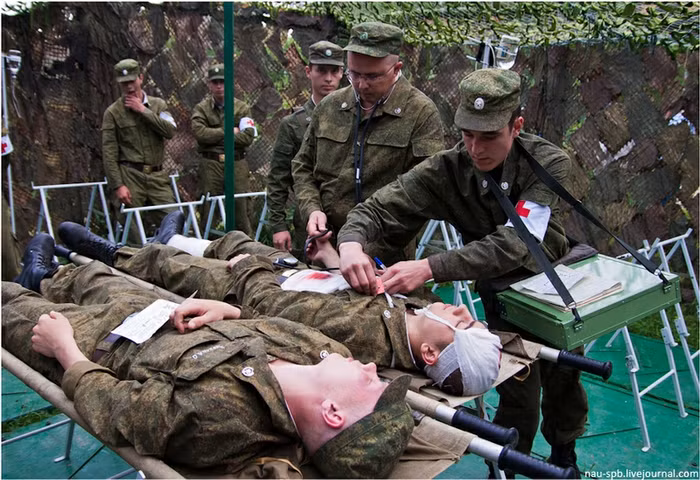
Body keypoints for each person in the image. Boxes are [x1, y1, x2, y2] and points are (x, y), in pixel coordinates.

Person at [335, 68, 588, 474]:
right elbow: (379, 209)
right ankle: (508, 467)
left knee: (566, 376)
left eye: (488, 136)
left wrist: (429, 267)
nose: (475, 148)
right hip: (502, 294)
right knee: (517, 389)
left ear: (516, 126)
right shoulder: (448, 169)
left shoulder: (547, 163)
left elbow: (517, 241)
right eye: (467, 134)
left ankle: (564, 454)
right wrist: (350, 244)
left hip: (551, 287)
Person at [3, 233, 413, 478]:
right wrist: (228, 311)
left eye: (372, 384)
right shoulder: (326, 352)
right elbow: (263, 319)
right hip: (158, 313)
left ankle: (30, 284)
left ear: (333, 413)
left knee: (12, 308)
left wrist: (65, 351)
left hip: (101, 343)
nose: (372, 367)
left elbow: (118, 409)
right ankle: (47, 275)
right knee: (94, 278)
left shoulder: (220, 421)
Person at [57, 215, 503, 398]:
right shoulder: (418, 307)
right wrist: (331, 257)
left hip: (255, 289)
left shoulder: (362, 334)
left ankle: (113, 253)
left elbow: (270, 306)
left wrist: (249, 269)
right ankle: (169, 238)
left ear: (429, 354)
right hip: (299, 274)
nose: (464, 313)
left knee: (179, 267)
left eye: (463, 327)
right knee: (237, 240)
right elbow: (347, 285)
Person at [291, 21, 445, 267]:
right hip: (323, 246)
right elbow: (302, 165)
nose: (361, 84)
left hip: (382, 257)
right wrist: (312, 210)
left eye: (372, 76)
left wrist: (365, 251)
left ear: (396, 69)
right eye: (354, 74)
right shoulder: (330, 107)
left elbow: (425, 194)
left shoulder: (420, 114)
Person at [267, 41, 344, 256]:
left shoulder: (356, 118)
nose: (328, 78)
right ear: (309, 72)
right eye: (321, 70)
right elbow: (278, 178)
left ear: (342, 73)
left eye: (334, 71)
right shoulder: (294, 124)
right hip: (310, 223)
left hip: (349, 224)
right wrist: (278, 225)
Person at [102, 58, 177, 244]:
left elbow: (170, 131)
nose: (129, 87)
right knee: (131, 228)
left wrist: (143, 110)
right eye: (124, 83)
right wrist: (118, 185)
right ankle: (135, 258)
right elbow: (109, 153)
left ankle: (175, 257)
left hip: (157, 176)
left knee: (174, 220)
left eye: (132, 81)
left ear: (141, 78)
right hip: (131, 176)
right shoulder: (113, 113)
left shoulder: (158, 105)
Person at [192, 63, 257, 235]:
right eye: (215, 82)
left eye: (223, 82)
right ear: (209, 84)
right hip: (210, 165)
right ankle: (207, 245)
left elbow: (247, 137)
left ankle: (246, 245)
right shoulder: (201, 109)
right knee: (208, 210)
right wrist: (227, 131)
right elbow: (200, 134)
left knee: (241, 208)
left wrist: (213, 135)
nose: (219, 86)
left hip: (236, 164)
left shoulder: (242, 108)